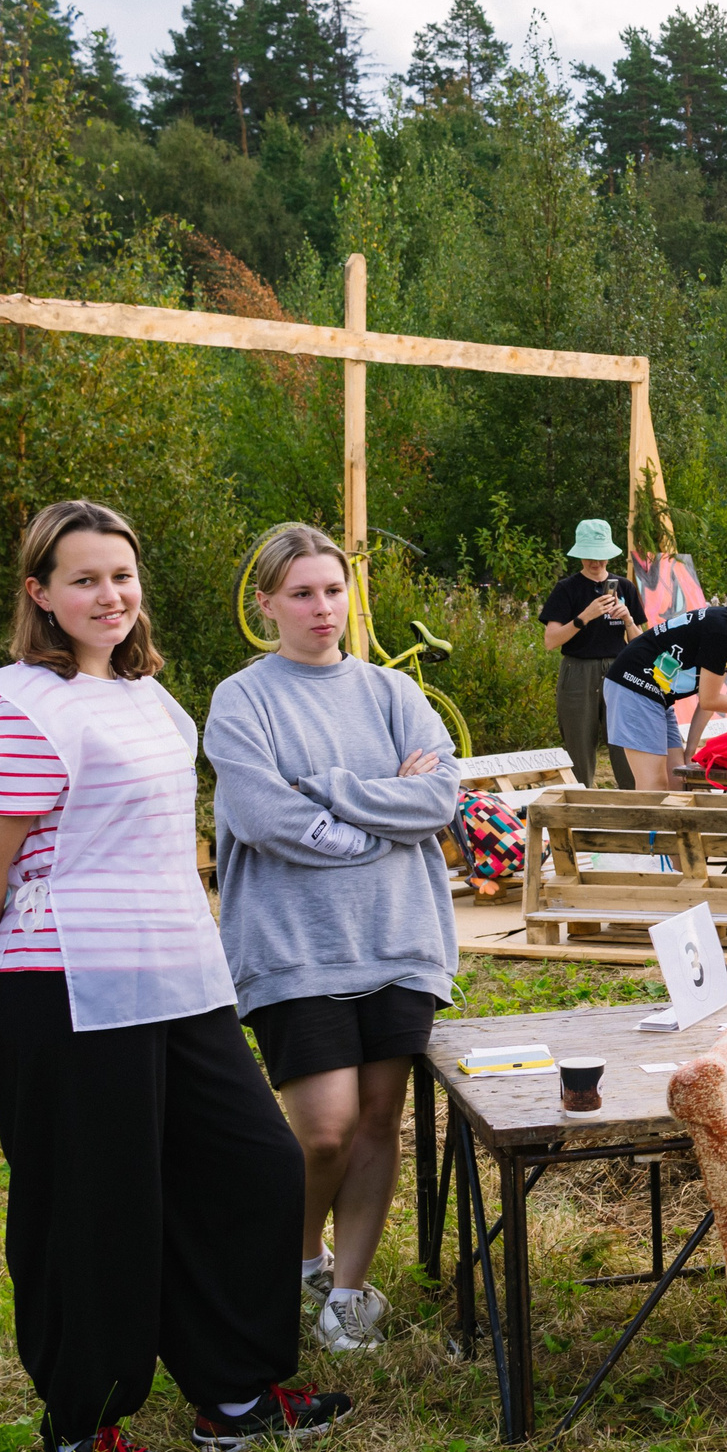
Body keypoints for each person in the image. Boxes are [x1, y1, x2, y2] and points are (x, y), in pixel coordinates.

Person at [0, 500, 350, 1452]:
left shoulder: (151, 698)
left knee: (252, 1169)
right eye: (84, 580)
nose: (109, 596)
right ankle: (83, 1430)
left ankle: (236, 1396)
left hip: (182, 980)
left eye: (120, 576)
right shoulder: (23, 708)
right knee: (96, 1209)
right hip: (68, 990)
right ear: (39, 594)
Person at [206, 522, 461, 1354]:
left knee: (379, 1117)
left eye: (334, 589)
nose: (324, 608)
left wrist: (326, 790)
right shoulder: (243, 700)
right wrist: (382, 809)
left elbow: (441, 798)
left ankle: (348, 1292)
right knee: (323, 1128)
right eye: (304, 593)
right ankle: (293, 1259)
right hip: (294, 946)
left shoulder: (393, 694)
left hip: (399, 936)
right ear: (267, 603)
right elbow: (261, 815)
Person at [603, 581, 727, 791]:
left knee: (678, 780)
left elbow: (707, 700)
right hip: (633, 686)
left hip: (658, 696)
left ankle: (671, 825)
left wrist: (690, 751)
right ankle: (649, 825)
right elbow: (710, 699)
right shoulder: (721, 633)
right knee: (654, 784)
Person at [538, 518, 645, 787]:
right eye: (589, 556)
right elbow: (550, 641)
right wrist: (584, 617)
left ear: (609, 554)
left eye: (600, 557)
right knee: (579, 747)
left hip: (619, 670)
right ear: (580, 554)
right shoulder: (567, 589)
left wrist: (629, 620)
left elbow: (642, 645)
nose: (595, 563)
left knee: (625, 745)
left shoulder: (625, 588)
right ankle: (581, 807)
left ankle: (632, 806)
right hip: (577, 670)